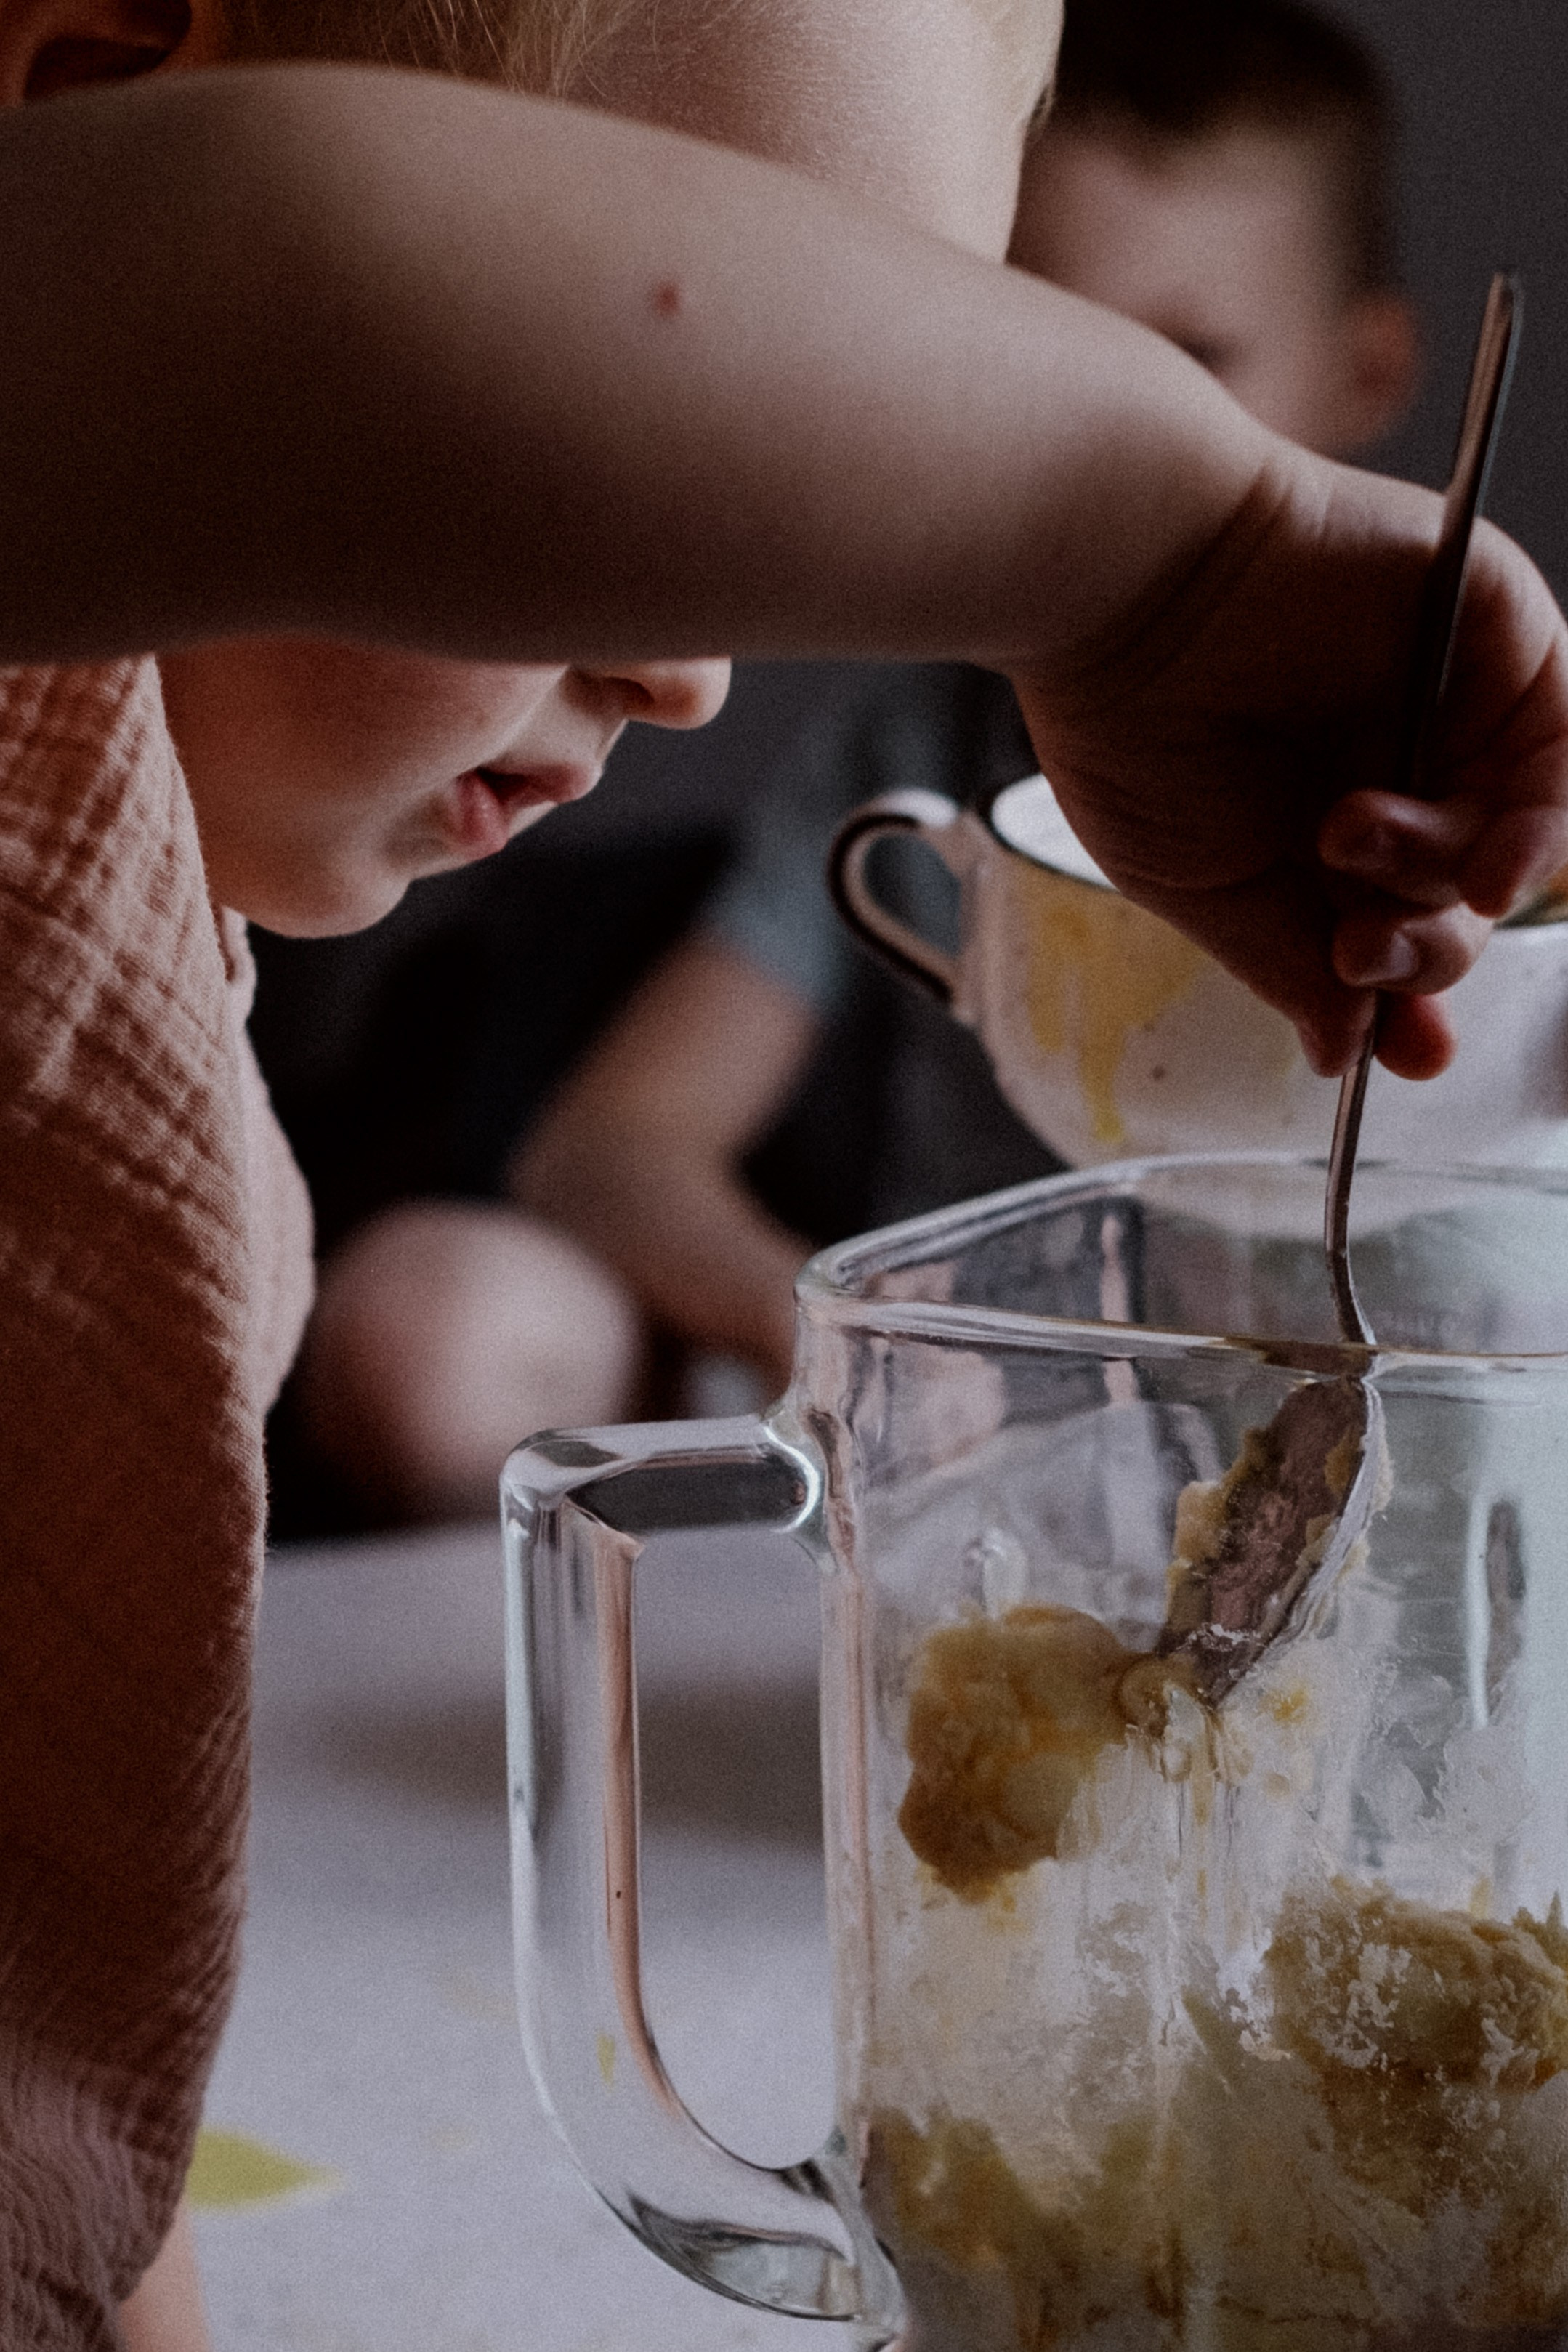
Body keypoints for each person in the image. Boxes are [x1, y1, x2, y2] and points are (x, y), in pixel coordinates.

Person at [3, 0, 1567, 2344]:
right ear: (85, 127)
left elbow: (73, 2052)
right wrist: (1149, 548)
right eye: (676, 456)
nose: (689, 668)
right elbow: (252, 263)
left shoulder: (146, 966)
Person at [329, 0, 1424, 1452]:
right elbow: (607, 1150)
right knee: (434, 1320)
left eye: (1192, 359)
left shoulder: (1465, 779)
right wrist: (866, 1347)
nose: (1116, 438)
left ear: (1363, 376)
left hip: (1367, 1420)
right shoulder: (921, 736)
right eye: (1045, 339)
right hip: (950, 1433)